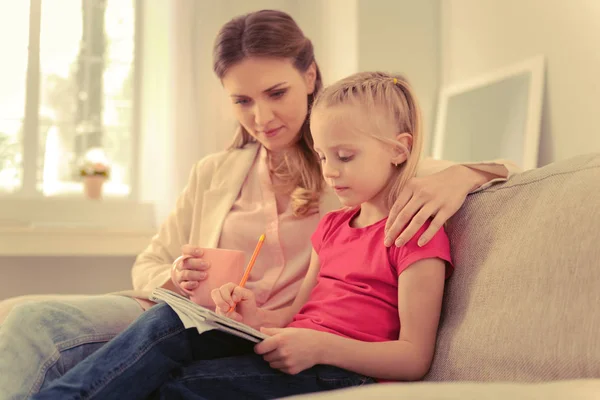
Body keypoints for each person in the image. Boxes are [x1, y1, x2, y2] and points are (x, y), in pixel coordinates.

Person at [0, 9, 518, 400]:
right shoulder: (229, 177)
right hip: (241, 323)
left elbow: (494, 171)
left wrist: (466, 173)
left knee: (176, 380)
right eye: (242, 101)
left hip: (309, 349)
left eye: (276, 93)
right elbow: (153, 266)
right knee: (39, 320)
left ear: (310, 77)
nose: (262, 117)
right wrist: (184, 280)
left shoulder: (366, 168)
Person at [33, 70, 454, 400]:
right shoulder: (331, 227)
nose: (329, 171)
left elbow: (414, 357)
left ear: (399, 149)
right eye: (324, 156)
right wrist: (252, 317)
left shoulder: (414, 234)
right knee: (171, 319)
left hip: (343, 373)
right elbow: (292, 319)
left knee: (180, 387)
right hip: (299, 354)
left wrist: (318, 347)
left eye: (345, 156)